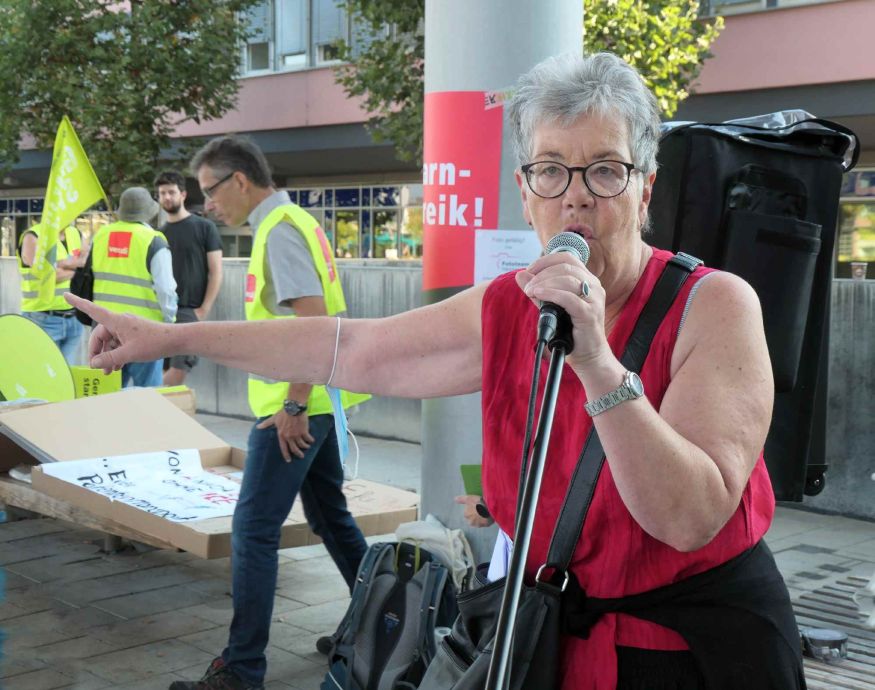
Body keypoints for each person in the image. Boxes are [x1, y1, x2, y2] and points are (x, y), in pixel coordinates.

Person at [68, 53, 804, 690]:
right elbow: (350, 348)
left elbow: (687, 516)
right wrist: (163, 335)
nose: (575, 194)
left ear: (644, 189)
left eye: (604, 170)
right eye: (551, 170)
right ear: (526, 192)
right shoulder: (514, 305)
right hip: (548, 636)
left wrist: (596, 363)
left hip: (688, 650)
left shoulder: (713, 306)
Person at [160, 136, 369, 690]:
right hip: (314, 401)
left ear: (241, 181)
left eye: (210, 190)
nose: (207, 204)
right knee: (330, 518)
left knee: (253, 531)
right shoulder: (290, 223)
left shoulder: (279, 231)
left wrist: (294, 405)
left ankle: (242, 669)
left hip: (293, 409)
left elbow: (311, 322)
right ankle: (377, 625)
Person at [86, 186, 177, 387]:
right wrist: (169, 322)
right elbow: (166, 290)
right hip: (144, 332)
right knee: (150, 401)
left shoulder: (101, 236)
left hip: (105, 332)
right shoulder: (154, 240)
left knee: (107, 398)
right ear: (148, 212)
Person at [154, 170, 224, 385]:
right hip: (161, 312)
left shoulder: (204, 227)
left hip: (188, 311)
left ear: (183, 194)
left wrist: (203, 310)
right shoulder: (158, 233)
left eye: (171, 192)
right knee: (163, 374)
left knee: (174, 376)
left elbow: (216, 271)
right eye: (162, 193)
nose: (167, 197)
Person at [17, 223, 87, 364]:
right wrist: (76, 269)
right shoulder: (33, 236)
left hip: (74, 320)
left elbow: (87, 263)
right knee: (43, 375)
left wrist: (59, 264)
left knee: (67, 378)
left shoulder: (76, 233)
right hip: (42, 318)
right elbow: (47, 276)